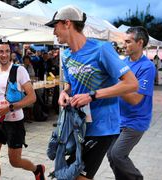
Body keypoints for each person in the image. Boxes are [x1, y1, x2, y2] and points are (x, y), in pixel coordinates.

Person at [45, 5, 138, 180]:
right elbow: (70, 84)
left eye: (54, 26)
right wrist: (64, 93)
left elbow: (132, 84)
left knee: (74, 176)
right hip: (77, 126)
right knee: (71, 175)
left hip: (102, 127)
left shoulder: (101, 49)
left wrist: (92, 95)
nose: (53, 32)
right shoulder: (66, 55)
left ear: (67, 23)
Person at [0, 39, 45, 180]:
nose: (4, 55)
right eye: (1, 51)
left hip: (14, 122)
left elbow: (32, 97)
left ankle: (37, 169)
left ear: (11, 53)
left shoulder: (19, 70)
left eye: (7, 51)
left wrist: (10, 107)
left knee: (15, 161)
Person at [106, 26, 156, 180]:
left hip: (136, 121)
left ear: (140, 42)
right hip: (118, 119)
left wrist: (114, 88)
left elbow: (135, 99)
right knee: (111, 156)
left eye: (128, 42)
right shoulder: (123, 63)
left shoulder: (147, 67)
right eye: (124, 41)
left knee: (118, 154)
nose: (124, 45)